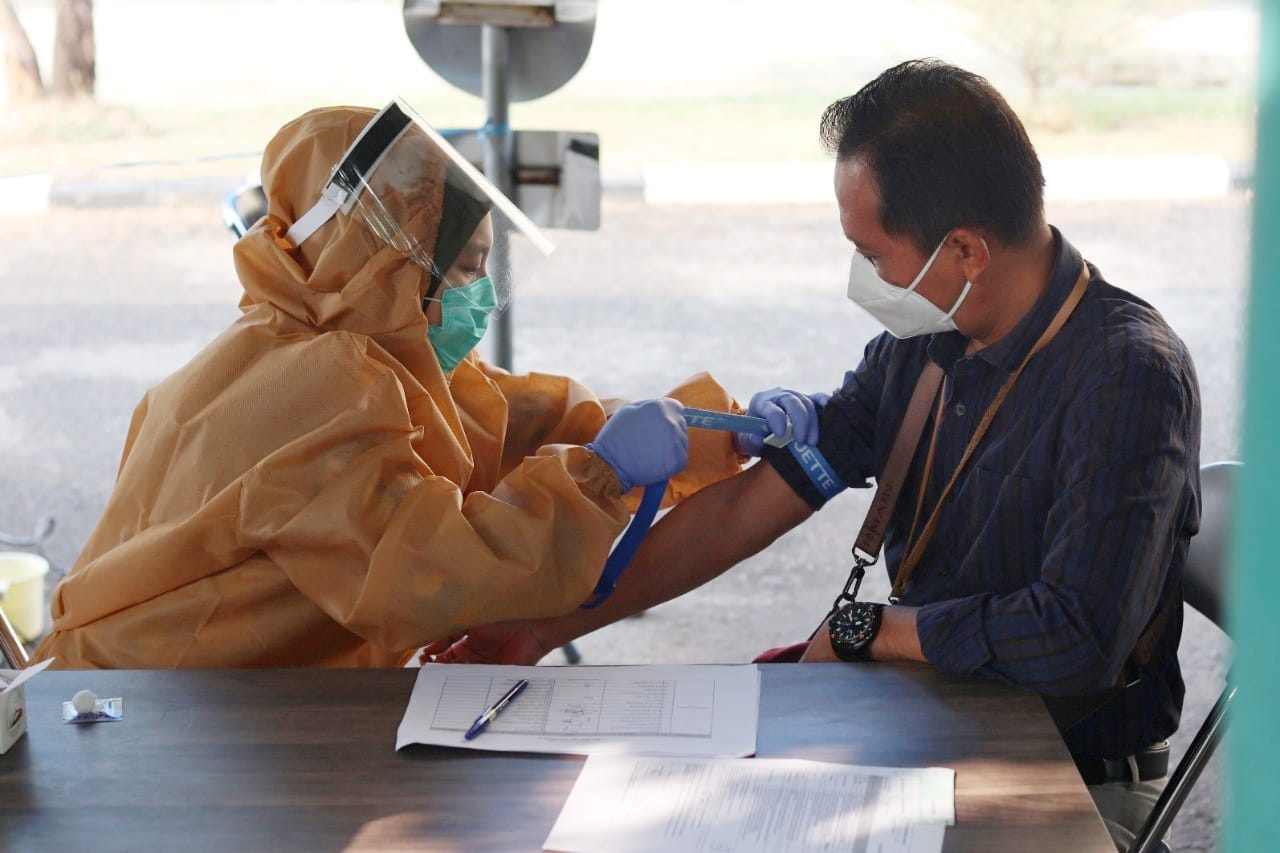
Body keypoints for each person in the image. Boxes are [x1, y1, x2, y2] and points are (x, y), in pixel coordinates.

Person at [425, 61, 1202, 847]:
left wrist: (871, 629)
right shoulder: (929, 345)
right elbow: (748, 507)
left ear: (965, 250)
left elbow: (1073, 638)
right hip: (928, 731)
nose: (866, 278)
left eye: (873, 254)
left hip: (1066, 779)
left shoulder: (1127, 375)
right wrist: (546, 625)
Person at [32, 100, 743, 670]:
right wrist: (601, 473)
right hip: (143, 708)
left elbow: (507, 419)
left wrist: (714, 427)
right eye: (465, 269)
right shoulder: (316, 388)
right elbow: (434, 573)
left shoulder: (323, 344)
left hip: (188, 696)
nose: (478, 296)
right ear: (382, 265)